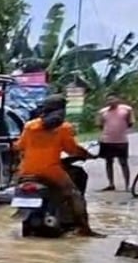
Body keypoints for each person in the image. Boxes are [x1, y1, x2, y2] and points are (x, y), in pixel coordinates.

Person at [15, 94, 103, 237]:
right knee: (74, 194)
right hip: (51, 171)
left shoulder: (29, 126)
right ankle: (84, 229)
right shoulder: (64, 128)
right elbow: (72, 149)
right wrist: (87, 155)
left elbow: (20, 146)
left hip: (27, 171)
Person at [96, 95, 133, 191]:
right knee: (108, 162)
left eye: (112, 99)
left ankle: (127, 185)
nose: (110, 101)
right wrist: (102, 136)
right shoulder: (103, 112)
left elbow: (130, 123)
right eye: (108, 99)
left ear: (118, 100)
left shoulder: (126, 110)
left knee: (123, 162)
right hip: (107, 140)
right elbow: (100, 125)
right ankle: (111, 184)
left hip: (121, 140)